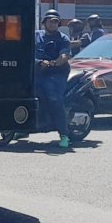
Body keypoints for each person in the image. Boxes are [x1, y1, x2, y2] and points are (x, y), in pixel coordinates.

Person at [35, 9, 71, 148]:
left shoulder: (63, 38)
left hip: (56, 73)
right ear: (44, 23)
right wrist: (39, 62)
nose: (53, 23)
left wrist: (53, 63)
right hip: (38, 72)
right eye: (50, 21)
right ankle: (23, 128)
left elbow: (64, 57)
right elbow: (26, 51)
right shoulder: (36, 36)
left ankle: (64, 135)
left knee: (54, 98)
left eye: (55, 21)